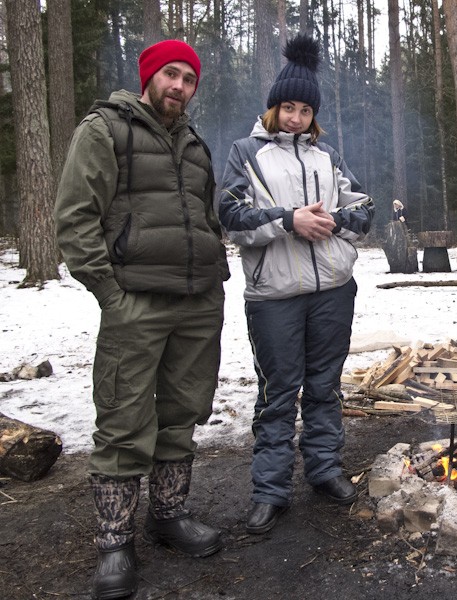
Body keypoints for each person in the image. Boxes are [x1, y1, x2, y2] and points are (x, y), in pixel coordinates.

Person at [54, 40, 229, 600]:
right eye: (171, 75)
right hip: (136, 302)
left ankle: (168, 515)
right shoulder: (106, 130)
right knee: (125, 419)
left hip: (197, 301)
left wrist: (214, 270)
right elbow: (76, 218)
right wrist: (110, 292)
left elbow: (205, 217)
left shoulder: (196, 145)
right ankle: (114, 541)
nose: (179, 86)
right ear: (150, 76)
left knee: (182, 411)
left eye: (189, 79)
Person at [216, 35, 374, 536]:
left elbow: (364, 208)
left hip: (332, 289)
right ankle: (270, 489)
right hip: (274, 297)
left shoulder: (327, 156)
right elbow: (229, 216)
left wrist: (334, 225)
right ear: (273, 108)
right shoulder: (247, 154)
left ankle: (325, 469)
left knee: (325, 387)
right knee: (279, 393)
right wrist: (289, 221)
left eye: (305, 110)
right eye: (288, 107)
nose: (295, 117)